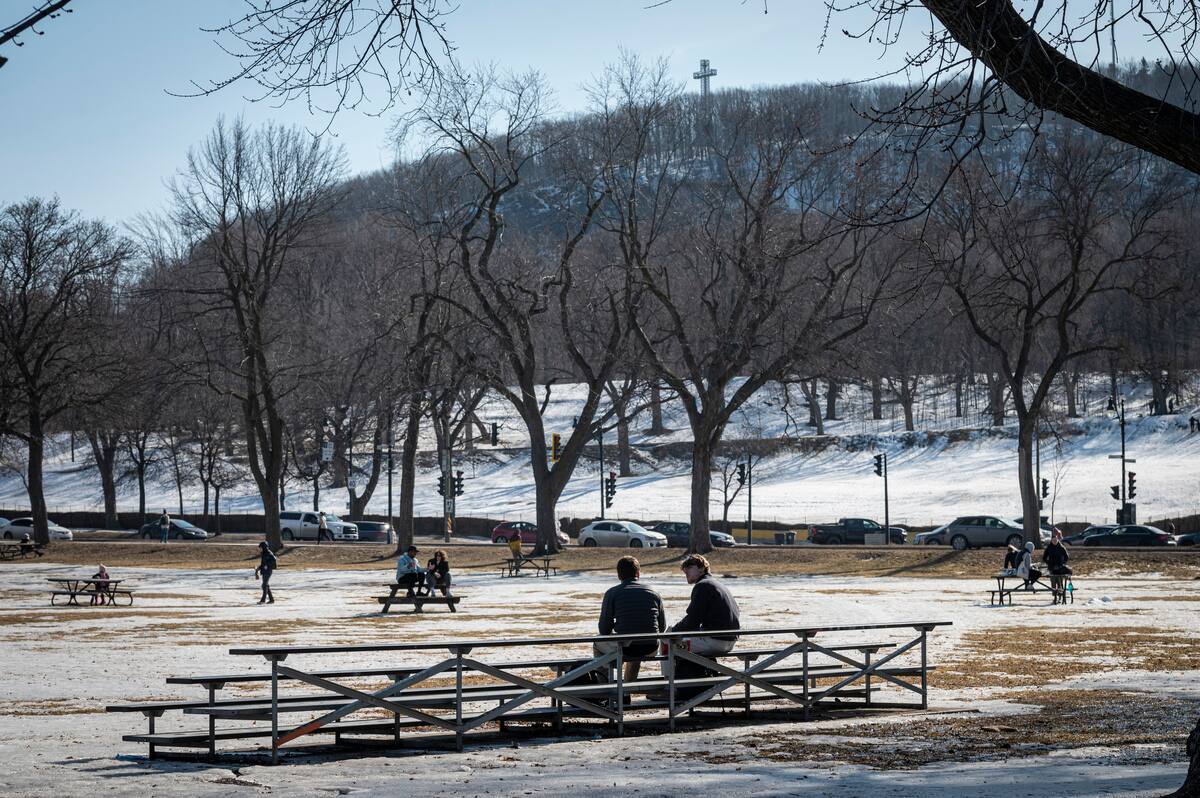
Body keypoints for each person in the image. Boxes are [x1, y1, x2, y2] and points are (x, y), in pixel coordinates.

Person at [661, 554, 740, 688]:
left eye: (689, 567)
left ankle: (668, 686)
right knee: (677, 639)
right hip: (729, 639)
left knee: (667, 643)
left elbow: (692, 620)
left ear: (702, 568)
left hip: (715, 641)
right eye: (684, 569)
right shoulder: (717, 584)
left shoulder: (702, 586)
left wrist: (672, 631)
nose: (685, 570)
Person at [595, 556, 666, 683]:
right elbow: (662, 627)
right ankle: (626, 690)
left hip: (626, 648)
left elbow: (604, 630)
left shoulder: (612, 593)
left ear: (619, 575)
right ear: (638, 573)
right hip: (651, 647)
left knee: (598, 644)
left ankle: (604, 686)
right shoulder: (654, 592)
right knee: (636, 644)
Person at [1041, 532, 1071, 601]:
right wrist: (1048, 562)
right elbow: (1044, 557)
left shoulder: (1061, 547)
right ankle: (1055, 596)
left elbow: (1066, 556)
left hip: (1060, 568)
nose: (1054, 541)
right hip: (1052, 568)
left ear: (1058, 540)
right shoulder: (1049, 548)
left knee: (1060, 583)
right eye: (1053, 540)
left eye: (1056, 540)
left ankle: (1060, 596)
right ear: (1051, 540)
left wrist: (1062, 563)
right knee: (1053, 583)